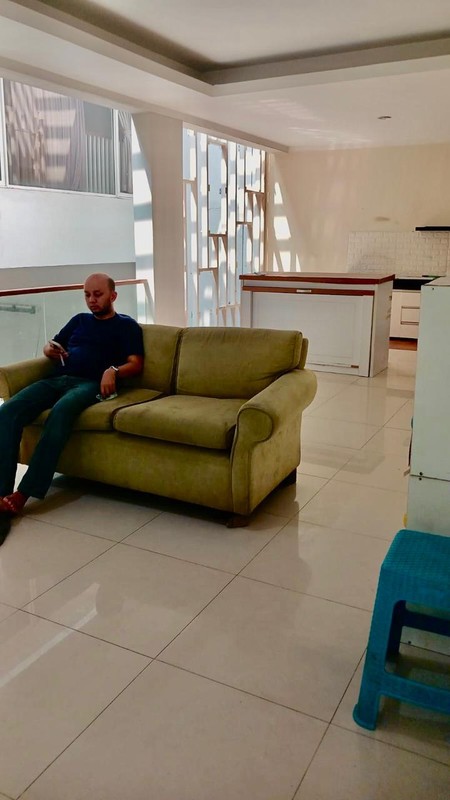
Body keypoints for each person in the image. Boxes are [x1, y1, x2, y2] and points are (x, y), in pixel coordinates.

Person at [0, 273, 144, 541]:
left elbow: (136, 363)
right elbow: (51, 345)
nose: (92, 300)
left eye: (98, 294)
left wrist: (112, 370)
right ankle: (1, 493)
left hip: (89, 385)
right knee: (7, 411)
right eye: (87, 295)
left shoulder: (126, 326)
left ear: (113, 295)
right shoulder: (79, 320)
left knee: (61, 413)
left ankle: (24, 493)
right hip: (57, 379)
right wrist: (50, 351)